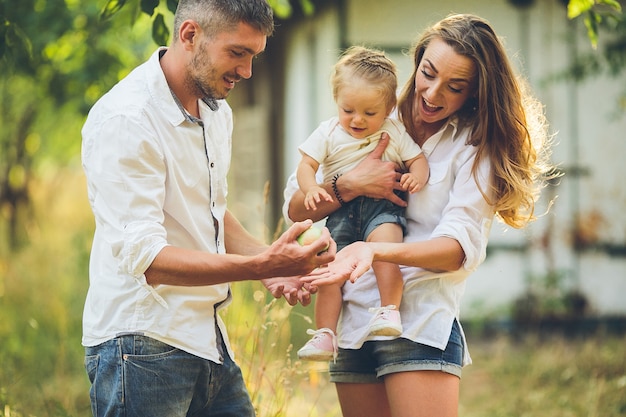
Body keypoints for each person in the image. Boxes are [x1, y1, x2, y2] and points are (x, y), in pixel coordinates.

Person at [284, 13, 555, 417]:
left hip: (419, 320)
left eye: (455, 87)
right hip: (350, 323)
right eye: (428, 73)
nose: (432, 93)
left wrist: (374, 252)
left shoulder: (475, 147)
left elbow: (456, 250)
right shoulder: (367, 115)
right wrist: (352, 185)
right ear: (417, 60)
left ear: (475, 93)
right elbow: (295, 206)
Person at [80, 1, 335, 416]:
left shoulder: (218, 113)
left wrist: (273, 264)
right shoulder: (127, 120)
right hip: (142, 345)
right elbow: (149, 261)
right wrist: (260, 267)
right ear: (190, 35)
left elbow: (210, 211)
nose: (247, 71)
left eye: (254, 56)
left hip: (209, 341)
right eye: (237, 53)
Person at [295, 46, 429, 362]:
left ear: (388, 108)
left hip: (382, 209)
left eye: (369, 113)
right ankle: (326, 334)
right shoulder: (327, 132)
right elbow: (306, 166)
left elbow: (417, 158)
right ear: (336, 101)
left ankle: (389, 311)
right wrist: (311, 187)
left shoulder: (393, 131)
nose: (357, 119)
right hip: (341, 212)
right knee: (330, 271)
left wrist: (417, 177)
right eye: (348, 110)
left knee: (385, 254)